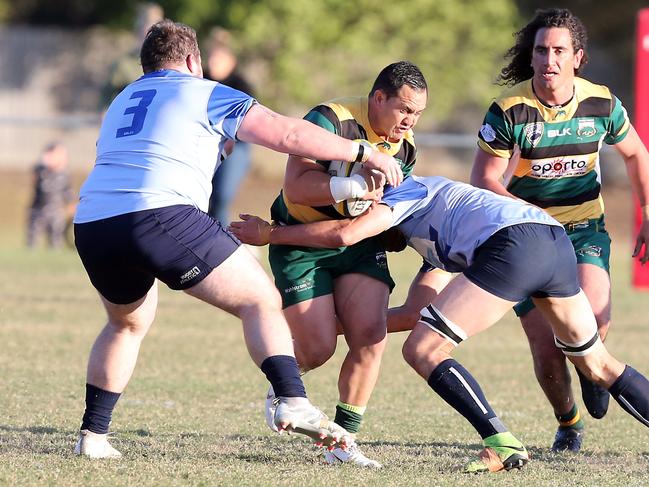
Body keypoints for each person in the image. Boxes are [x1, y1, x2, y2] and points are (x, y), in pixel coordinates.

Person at [72, 19, 403, 459]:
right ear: (193, 61)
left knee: (126, 323)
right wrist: (362, 151)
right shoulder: (204, 90)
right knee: (260, 299)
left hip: (94, 222)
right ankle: (291, 400)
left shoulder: (123, 98)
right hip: (158, 213)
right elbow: (287, 135)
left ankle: (93, 437)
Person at [230, 174, 649, 473]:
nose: (381, 237)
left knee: (424, 350)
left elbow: (345, 234)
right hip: (550, 241)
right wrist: (335, 328)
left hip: (514, 243)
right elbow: (415, 313)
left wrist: (269, 234)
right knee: (598, 363)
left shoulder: (407, 191)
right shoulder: (440, 226)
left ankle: (501, 443)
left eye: (373, 219)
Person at [470, 8, 649, 452]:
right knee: (548, 351)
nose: (549, 59)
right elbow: (485, 180)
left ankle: (593, 372)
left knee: (595, 323)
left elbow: (636, 155)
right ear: (531, 58)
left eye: (559, 51)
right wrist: (532, 215)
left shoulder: (601, 104)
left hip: (584, 229)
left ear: (577, 58)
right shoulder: (510, 111)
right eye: (541, 50)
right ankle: (568, 422)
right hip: (527, 239)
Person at [261, 61, 438, 468]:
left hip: (358, 242)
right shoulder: (330, 119)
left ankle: (343, 442)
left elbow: (386, 209)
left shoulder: (405, 147)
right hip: (302, 240)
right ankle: (283, 383)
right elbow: (296, 188)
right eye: (404, 110)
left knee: (371, 334)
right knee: (319, 347)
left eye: (418, 114)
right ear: (378, 98)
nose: (410, 122)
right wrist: (357, 184)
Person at [204, 28, 255, 225]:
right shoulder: (201, 81)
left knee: (220, 198)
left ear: (231, 60)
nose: (212, 63)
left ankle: (220, 242)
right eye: (211, 58)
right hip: (206, 145)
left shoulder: (241, 85)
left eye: (219, 58)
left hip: (235, 147)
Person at [99, 3, 164, 108]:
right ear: (139, 29)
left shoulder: (169, 63)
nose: (152, 34)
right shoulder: (123, 64)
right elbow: (105, 99)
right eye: (148, 27)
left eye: (156, 28)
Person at [26, 141, 75, 249]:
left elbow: (67, 190)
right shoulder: (40, 170)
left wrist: (71, 204)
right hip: (38, 209)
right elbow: (35, 179)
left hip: (56, 211)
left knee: (56, 239)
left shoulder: (64, 174)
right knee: (32, 239)